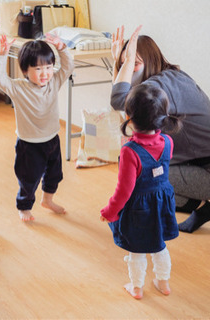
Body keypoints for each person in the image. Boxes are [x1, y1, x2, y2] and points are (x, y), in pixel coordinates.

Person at [110, 25, 210, 233]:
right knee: (134, 157)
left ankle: (198, 202)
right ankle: (197, 205)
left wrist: (125, 61)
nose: (128, 71)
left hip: (204, 166)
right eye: (125, 66)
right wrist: (118, 64)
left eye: (134, 64)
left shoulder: (160, 86)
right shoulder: (168, 78)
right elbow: (128, 108)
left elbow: (119, 100)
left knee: (135, 166)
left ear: (150, 60)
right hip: (196, 161)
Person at [100, 83, 182, 299]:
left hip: (139, 208)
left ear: (128, 116)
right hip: (162, 202)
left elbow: (124, 191)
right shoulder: (168, 142)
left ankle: (136, 287)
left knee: (136, 250)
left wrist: (110, 211)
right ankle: (163, 283)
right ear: (163, 117)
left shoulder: (130, 151)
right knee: (159, 244)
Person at [0, 34, 74, 221]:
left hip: (52, 139)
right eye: (38, 69)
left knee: (54, 175)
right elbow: (0, 79)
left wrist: (62, 48)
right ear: (25, 71)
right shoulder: (18, 88)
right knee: (28, 180)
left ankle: (47, 200)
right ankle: (24, 207)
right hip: (29, 145)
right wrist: (2, 54)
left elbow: (68, 66)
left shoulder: (54, 82)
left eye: (48, 67)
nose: (45, 73)